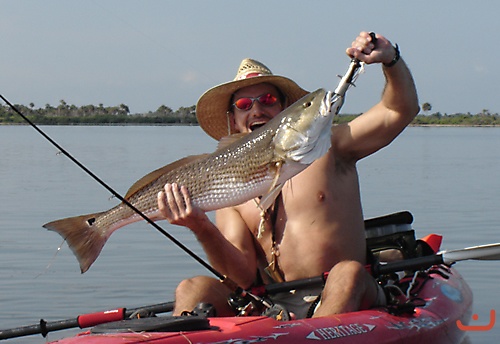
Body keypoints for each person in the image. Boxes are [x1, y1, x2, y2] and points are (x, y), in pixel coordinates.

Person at [157, 31, 419, 319]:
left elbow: (398, 110)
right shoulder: (226, 187)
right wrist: (200, 226)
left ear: (284, 110)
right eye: (244, 105)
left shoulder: (332, 146)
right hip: (269, 306)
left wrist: (390, 59)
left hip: (340, 294)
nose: (257, 109)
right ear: (233, 120)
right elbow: (242, 277)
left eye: (267, 99)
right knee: (191, 288)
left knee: (348, 273)